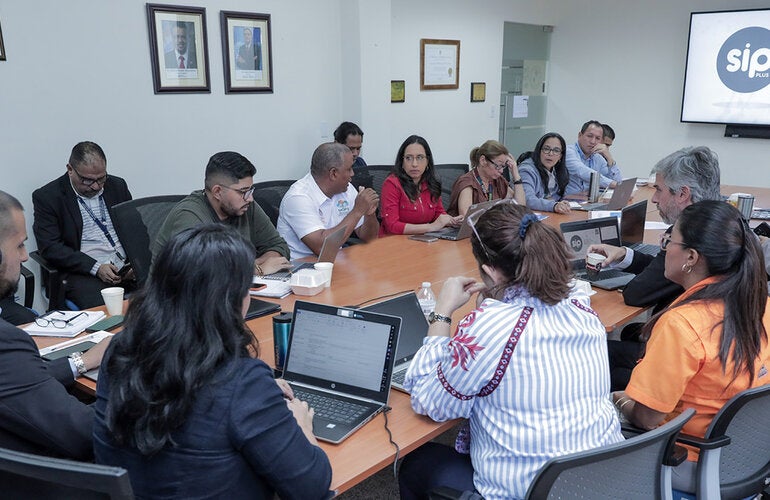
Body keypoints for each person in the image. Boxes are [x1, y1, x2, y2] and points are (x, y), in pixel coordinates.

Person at [399, 202, 623, 499]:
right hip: (600, 481)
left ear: (490, 272)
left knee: (417, 463)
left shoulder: (490, 327)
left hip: (528, 491)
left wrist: (442, 313)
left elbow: (430, 402)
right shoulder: (581, 307)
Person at [94, 224, 331, 498]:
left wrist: (257, 395)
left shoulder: (120, 348)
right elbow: (312, 487)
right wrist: (301, 426)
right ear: (230, 300)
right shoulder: (242, 381)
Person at [612, 200, 770, 494]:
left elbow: (648, 420)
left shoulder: (682, 324)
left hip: (687, 461)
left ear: (691, 257)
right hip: (746, 458)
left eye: (669, 241)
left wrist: (616, 399)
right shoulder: (760, 304)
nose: (665, 248)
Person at [587, 146, 722, 390]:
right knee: (631, 333)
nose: (654, 198)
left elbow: (637, 293)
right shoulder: (722, 224)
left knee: (593, 353)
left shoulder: (692, 235)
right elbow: (667, 275)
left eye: (659, 189)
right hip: (715, 347)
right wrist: (626, 256)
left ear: (682, 194)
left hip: (689, 362)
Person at [0, 190, 108, 460]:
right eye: (19, 245)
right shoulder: (7, 342)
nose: (25, 257)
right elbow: (87, 434)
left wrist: (82, 361)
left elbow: (17, 383)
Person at [153, 151, 291, 277]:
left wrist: (250, 266)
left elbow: (278, 245)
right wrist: (256, 270)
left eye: (250, 190)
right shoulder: (189, 215)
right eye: (243, 192)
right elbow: (199, 274)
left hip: (234, 293)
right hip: (180, 300)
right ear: (217, 192)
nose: (250, 198)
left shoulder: (246, 206)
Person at [33, 141, 135, 309]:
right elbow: (50, 247)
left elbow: (135, 229)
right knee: (108, 312)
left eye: (101, 179)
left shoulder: (117, 186)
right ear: (70, 169)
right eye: (87, 181)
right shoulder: (48, 197)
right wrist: (96, 268)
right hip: (83, 272)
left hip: (124, 267)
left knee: (164, 296)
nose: (96, 186)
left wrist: (136, 264)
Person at [277, 142, 379, 259]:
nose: (353, 173)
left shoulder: (346, 189)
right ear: (333, 173)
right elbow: (322, 247)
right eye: (349, 169)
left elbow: (369, 238)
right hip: (301, 268)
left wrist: (369, 214)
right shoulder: (298, 198)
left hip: (335, 261)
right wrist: (357, 211)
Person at [379, 135, 462, 235]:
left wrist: (452, 221)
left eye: (420, 157)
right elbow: (391, 226)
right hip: (394, 244)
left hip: (422, 241)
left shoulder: (431, 183)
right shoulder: (392, 184)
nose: (414, 164)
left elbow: (438, 214)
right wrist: (431, 227)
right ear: (402, 162)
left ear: (427, 161)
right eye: (409, 158)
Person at [447, 140, 525, 216]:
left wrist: (516, 174)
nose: (501, 171)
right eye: (498, 166)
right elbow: (467, 218)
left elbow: (520, 207)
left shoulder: (497, 180)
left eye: (503, 166)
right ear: (483, 160)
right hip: (470, 228)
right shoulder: (467, 182)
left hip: (491, 227)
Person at [517, 132, 572, 213]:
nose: (550, 154)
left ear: (561, 156)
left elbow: (556, 196)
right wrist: (553, 205)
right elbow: (528, 200)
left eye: (556, 150)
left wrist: (560, 204)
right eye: (546, 149)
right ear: (539, 151)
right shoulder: (526, 170)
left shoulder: (557, 170)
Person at [564, 120, 622, 195]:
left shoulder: (597, 157)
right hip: (566, 203)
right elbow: (583, 172)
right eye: (589, 136)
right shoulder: (568, 151)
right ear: (580, 135)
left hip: (588, 202)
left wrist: (609, 158)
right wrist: (614, 184)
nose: (593, 141)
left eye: (597, 138)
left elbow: (618, 182)